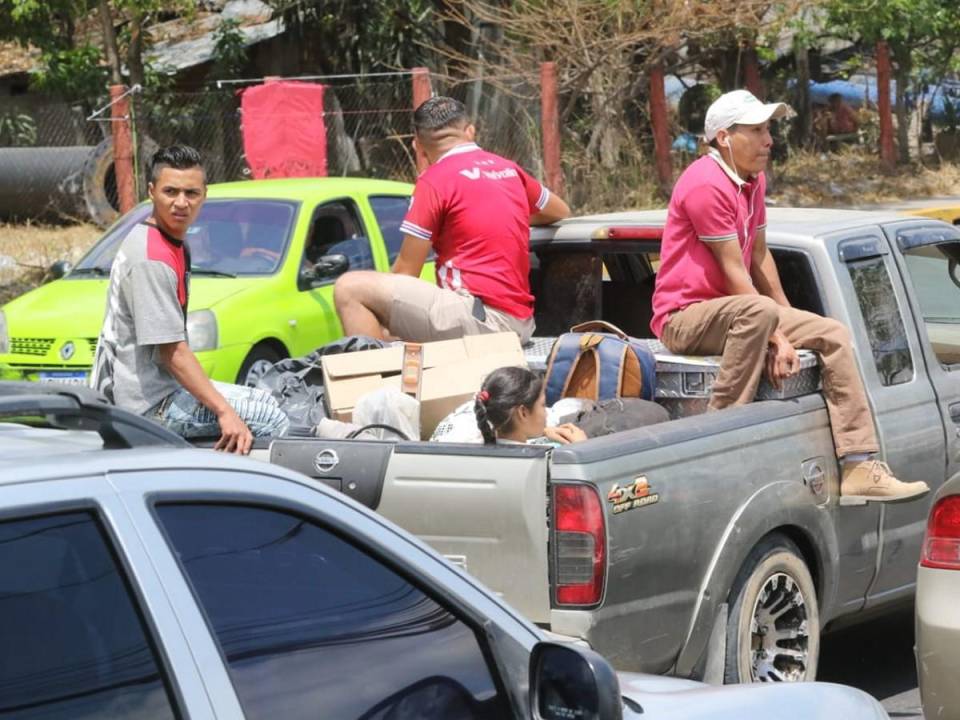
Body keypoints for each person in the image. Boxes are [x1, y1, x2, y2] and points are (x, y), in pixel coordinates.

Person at [650, 89, 928, 502]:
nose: (769, 140)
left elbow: (760, 257)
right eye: (757, 130)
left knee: (832, 333)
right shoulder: (705, 183)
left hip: (743, 312)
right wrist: (778, 336)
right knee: (760, 313)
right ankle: (716, 439)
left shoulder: (753, 180)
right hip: (684, 318)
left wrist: (786, 318)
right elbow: (732, 270)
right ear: (724, 137)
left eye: (769, 129)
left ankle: (858, 464)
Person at [90, 145, 288, 454]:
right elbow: (173, 353)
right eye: (171, 191)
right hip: (144, 406)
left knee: (266, 398)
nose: (181, 203)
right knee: (270, 419)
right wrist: (224, 412)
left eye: (191, 193)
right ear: (152, 192)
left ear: (204, 195)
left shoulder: (173, 243)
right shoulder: (150, 257)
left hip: (159, 391)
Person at [334, 96, 571, 345]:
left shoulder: (434, 181)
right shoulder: (508, 169)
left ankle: (378, 381)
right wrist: (504, 215)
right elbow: (560, 210)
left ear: (418, 146)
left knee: (349, 288)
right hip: (518, 321)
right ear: (470, 131)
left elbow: (406, 273)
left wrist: (382, 324)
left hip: (480, 318)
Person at [473, 366, 587, 445]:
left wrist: (543, 431)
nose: (546, 413)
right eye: (543, 405)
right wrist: (582, 448)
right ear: (523, 413)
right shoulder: (547, 463)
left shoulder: (474, 449)